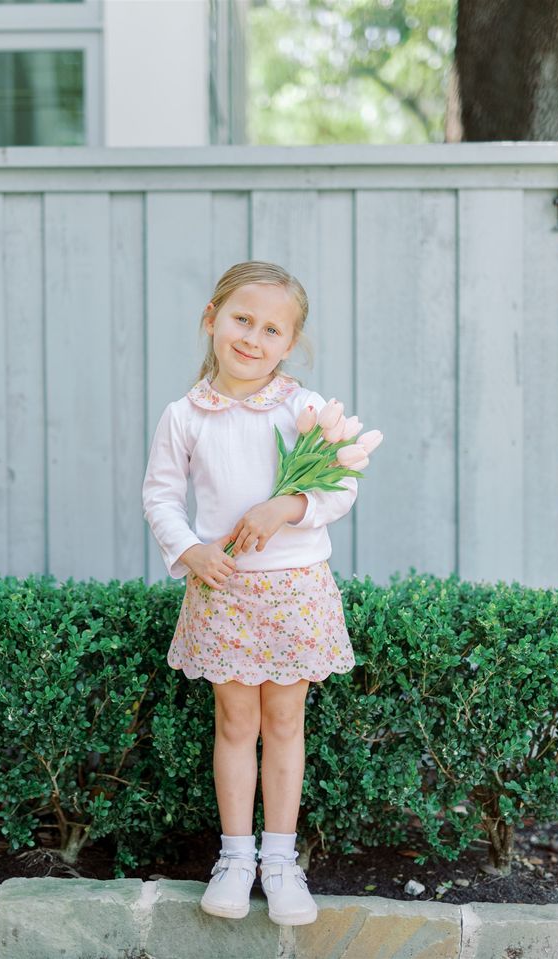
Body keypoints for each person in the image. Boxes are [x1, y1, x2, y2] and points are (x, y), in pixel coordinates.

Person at [142, 260, 358, 926]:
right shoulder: (185, 415)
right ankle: (236, 857)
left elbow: (339, 485)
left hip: (295, 590)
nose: (253, 337)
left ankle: (282, 860)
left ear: (289, 343)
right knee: (236, 723)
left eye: (271, 328)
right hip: (223, 588)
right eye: (242, 319)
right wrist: (191, 549)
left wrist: (287, 506)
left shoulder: (303, 410)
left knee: (285, 723)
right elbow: (160, 495)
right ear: (211, 319)